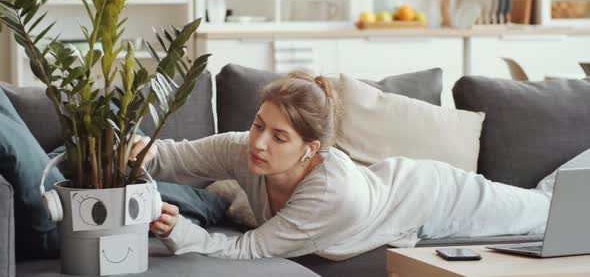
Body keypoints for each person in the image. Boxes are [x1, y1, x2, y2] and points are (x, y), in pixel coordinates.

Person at [130, 72, 554, 261]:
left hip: (437, 197)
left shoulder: (332, 195)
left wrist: (182, 232)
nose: (258, 142)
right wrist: (140, 150)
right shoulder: (246, 148)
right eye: (259, 125)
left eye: (279, 137)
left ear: (308, 149)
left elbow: (251, 249)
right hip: (395, 182)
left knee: (547, 214)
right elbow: (173, 155)